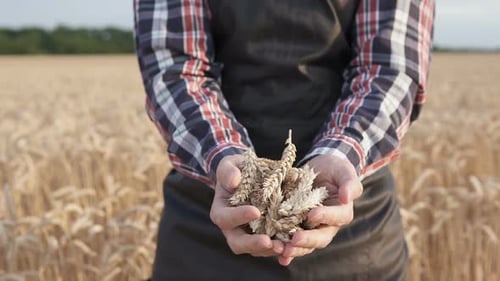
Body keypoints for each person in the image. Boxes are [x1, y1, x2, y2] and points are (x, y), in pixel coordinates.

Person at [134, 0, 434, 280]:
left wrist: (341, 155)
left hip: (352, 223)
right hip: (209, 219)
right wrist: (224, 159)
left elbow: (389, 68)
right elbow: (175, 68)